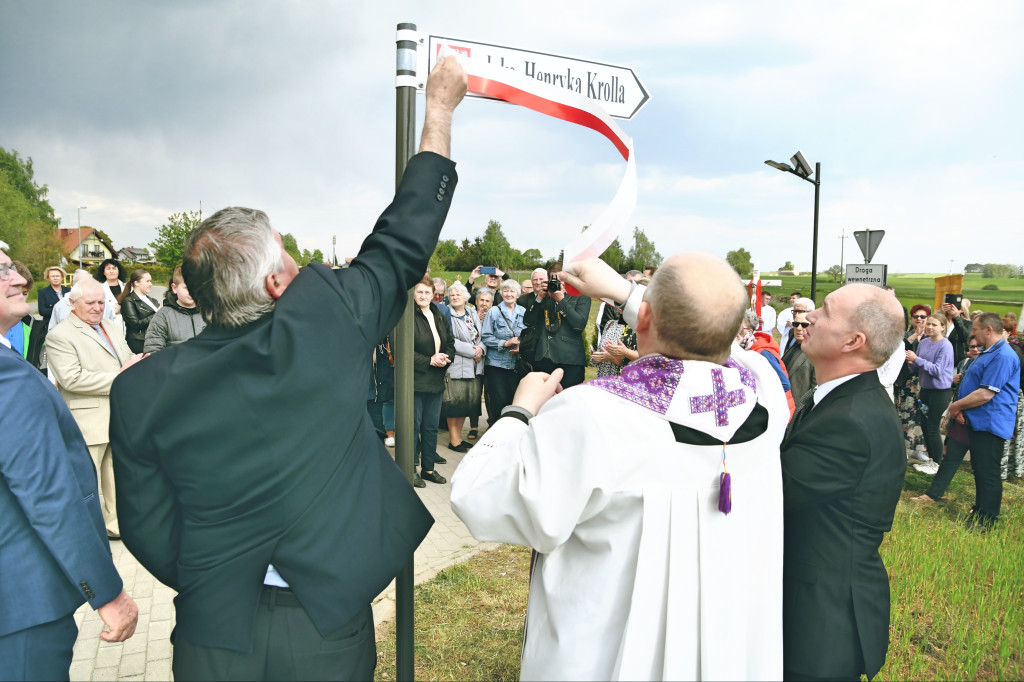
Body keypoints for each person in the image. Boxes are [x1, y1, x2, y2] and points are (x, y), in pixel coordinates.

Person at [108, 55, 467, 680]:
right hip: (324, 618)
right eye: (291, 258)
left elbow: (146, 525)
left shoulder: (139, 389)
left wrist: (215, 573)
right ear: (276, 283)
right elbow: (404, 240)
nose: (304, 269)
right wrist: (438, 113)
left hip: (211, 629)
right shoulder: (326, 319)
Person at [451, 253, 789, 680]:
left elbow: (481, 498)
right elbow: (726, 345)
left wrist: (520, 412)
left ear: (643, 318)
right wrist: (627, 293)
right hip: (727, 647)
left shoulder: (595, 413)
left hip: (609, 657)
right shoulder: (765, 394)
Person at [0, 242, 139, 681]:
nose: (21, 279)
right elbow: (48, 494)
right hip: (20, 607)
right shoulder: (8, 375)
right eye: (3, 270)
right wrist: (107, 592)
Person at [780, 283, 906, 681]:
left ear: (854, 340)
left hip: (820, 622)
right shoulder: (840, 398)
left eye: (826, 311)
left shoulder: (850, 421)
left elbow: (766, 493)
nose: (809, 316)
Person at [47, 278, 140, 538]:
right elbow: (71, 379)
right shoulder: (59, 335)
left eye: (101, 301)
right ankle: (85, 534)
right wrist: (122, 376)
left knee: (116, 477)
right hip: (87, 420)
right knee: (86, 484)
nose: (98, 307)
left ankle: (116, 527)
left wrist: (139, 363)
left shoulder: (110, 325)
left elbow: (126, 357)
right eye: (90, 303)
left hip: (119, 416)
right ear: (71, 303)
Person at [947, 312, 1021, 529]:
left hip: (991, 424)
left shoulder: (1004, 356)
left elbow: (986, 394)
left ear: (988, 329)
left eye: (975, 329)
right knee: (979, 469)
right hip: (979, 421)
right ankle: (980, 510)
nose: (972, 333)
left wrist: (956, 406)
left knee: (988, 472)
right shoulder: (990, 352)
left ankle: (987, 520)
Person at [913, 336, 982, 501]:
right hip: (958, 413)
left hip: (974, 417)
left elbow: (982, 392)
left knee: (982, 465)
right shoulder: (964, 363)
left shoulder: (987, 364)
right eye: (971, 346)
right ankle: (933, 492)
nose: (974, 349)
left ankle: (983, 505)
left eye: (978, 346)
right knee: (950, 456)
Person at [519, 267, 592, 389]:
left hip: (570, 359)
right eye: (554, 278)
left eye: (561, 279)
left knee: (569, 402)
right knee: (544, 402)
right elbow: (528, 322)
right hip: (544, 358)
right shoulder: (546, 295)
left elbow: (579, 325)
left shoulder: (581, 296)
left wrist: (562, 300)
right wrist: (539, 299)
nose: (558, 282)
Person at [412, 276, 455, 484]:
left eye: (427, 292)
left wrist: (446, 358)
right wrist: (429, 360)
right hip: (414, 381)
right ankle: (409, 469)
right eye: (419, 292)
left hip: (436, 380)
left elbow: (451, 342)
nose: (423, 296)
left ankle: (428, 469)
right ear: (413, 294)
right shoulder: (406, 316)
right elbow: (403, 351)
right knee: (413, 426)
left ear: (433, 294)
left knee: (430, 427)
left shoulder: (438, 313)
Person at [906, 312, 954, 471]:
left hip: (940, 392)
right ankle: (932, 460)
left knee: (933, 427)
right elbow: (916, 367)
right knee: (926, 427)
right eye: (928, 324)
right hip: (925, 390)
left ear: (942, 327)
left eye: (934, 325)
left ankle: (938, 463)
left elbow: (937, 370)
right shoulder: (923, 343)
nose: (930, 327)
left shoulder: (945, 345)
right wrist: (909, 361)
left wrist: (916, 359)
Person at [444, 282, 484, 453]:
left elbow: (481, 334)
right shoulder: (446, 314)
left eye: (458, 294)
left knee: (465, 404)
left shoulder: (472, 312)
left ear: (466, 297)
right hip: (457, 365)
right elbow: (449, 339)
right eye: (452, 294)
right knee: (455, 404)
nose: (454, 297)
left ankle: (458, 438)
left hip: (474, 366)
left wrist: (481, 348)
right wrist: (472, 351)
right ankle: (453, 441)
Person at [481, 279, 525, 423]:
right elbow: (486, 336)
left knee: (513, 400)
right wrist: (505, 343)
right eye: (505, 290)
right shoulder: (494, 311)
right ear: (501, 293)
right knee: (498, 401)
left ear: (517, 294)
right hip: (496, 364)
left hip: (515, 365)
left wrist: (520, 345)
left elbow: (528, 336)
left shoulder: (523, 312)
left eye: (512, 291)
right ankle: (495, 429)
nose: (509, 294)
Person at [143, 265, 206, 352]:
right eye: (187, 288)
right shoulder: (162, 316)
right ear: (174, 288)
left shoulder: (211, 314)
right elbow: (152, 351)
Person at [897, 304, 931, 457]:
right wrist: (912, 337)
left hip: (923, 381)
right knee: (905, 414)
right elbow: (899, 352)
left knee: (920, 415)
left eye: (923, 316)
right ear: (911, 318)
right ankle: (904, 446)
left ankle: (919, 449)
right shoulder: (906, 335)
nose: (919, 319)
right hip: (906, 380)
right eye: (916, 316)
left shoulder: (931, 338)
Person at [466, 287, 493, 441]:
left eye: (487, 301)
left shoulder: (495, 314)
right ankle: (473, 426)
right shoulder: (469, 313)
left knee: (490, 395)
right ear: (476, 301)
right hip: (473, 360)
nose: (484, 304)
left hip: (490, 361)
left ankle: (491, 423)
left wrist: (482, 349)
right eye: (481, 300)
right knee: (474, 395)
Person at [1000, 314, 1024, 480]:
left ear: (1009, 332)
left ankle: (1008, 469)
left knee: (1010, 436)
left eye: (1001, 330)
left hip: (1012, 397)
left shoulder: (1013, 352)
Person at [119, 269, 160, 353]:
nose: (150, 284)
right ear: (136, 283)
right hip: (139, 343)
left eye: (151, 281)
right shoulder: (128, 301)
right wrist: (157, 314)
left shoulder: (152, 300)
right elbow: (135, 324)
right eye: (147, 281)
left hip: (154, 341)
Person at [782, 310, 815, 405]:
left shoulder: (817, 352)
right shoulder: (793, 343)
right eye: (796, 324)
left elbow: (816, 388)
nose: (799, 328)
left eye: (804, 325)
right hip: (785, 403)